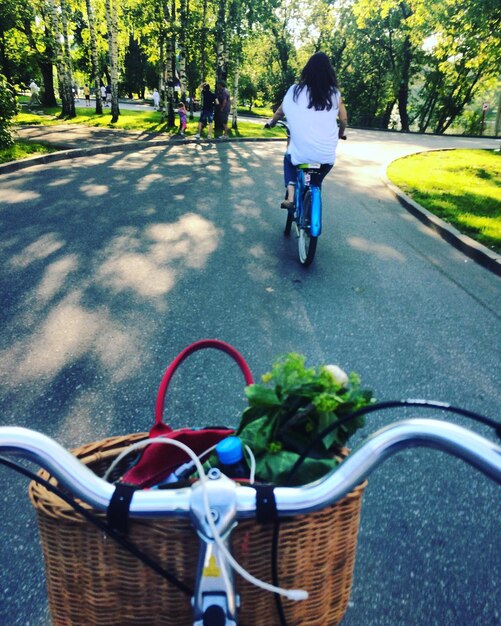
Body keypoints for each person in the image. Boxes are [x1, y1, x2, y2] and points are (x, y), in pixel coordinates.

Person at [267, 52, 348, 209]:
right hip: (325, 156)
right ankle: (313, 192)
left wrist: (271, 122)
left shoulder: (294, 90)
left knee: (289, 159)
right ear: (329, 72)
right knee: (317, 178)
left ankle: (291, 197)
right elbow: (343, 119)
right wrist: (341, 133)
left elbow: (279, 112)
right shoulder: (335, 94)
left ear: (307, 70)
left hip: (301, 153)